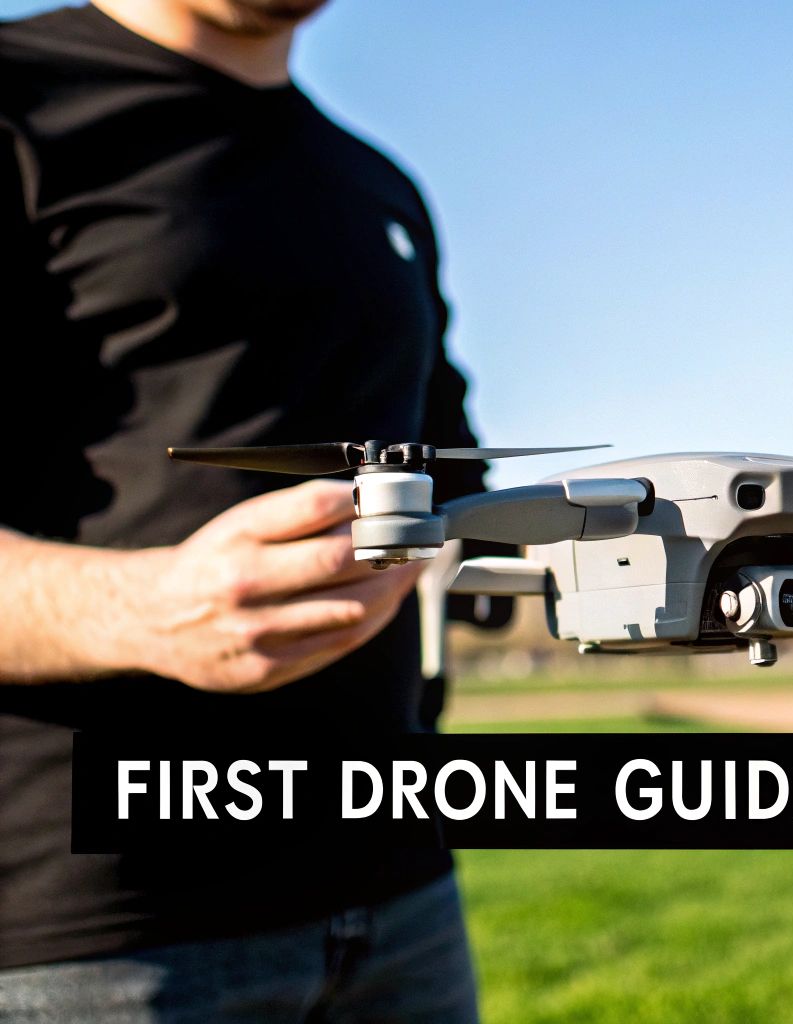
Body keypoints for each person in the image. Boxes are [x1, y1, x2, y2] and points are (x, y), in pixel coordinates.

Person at [0, 0, 489, 1019]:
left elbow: (453, 484)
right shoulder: (20, 99)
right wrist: (137, 606)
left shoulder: (377, 185)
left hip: (401, 895)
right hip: (95, 931)